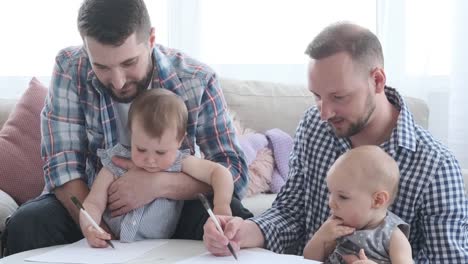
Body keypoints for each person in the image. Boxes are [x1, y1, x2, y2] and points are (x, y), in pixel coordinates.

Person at [203, 22, 468, 263]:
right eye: (317, 96)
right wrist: (244, 231)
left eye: (338, 97)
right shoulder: (314, 126)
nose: (324, 112)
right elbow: (290, 212)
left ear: (377, 80)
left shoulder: (436, 167)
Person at [2, 0, 252, 255]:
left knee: (233, 224)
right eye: (101, 67)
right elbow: (63, 169)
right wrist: (96, 227)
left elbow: (233, 170)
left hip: (174, 206)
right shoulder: (69, 67)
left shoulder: (196, 79)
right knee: (28, 224)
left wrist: (158, 184)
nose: (118, 81)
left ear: (151, 39)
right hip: (93, 201)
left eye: (129, 62)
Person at [82, 89, 234, 247]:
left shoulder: (179, 162)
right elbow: (93, 203)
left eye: (161, 152)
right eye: (140, 149)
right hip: (114, 246)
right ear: (131, 135)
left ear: (179, 141)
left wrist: (222, 205)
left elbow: (219, 172)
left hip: (159, 249)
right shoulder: (117, 161)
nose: (150, 160)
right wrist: (90, 226)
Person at [303, 145, 412, 264]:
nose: (331, 203)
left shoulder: (393, 236)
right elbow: (310, 260)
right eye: (330, 192)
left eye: (343, 196)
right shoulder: (339, 227)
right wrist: (320, 238)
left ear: (377, 200)